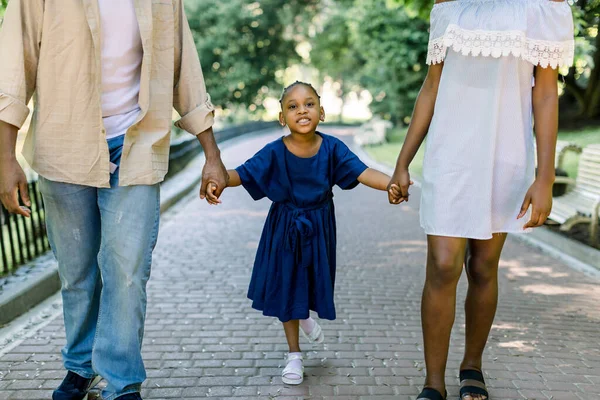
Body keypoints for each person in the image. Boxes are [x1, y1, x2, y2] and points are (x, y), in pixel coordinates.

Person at [0, 1, 228, 399]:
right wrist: (5, 158)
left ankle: (121, 382)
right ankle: (81, 365)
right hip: (64, 145)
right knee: (78, 274)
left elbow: (183, 67)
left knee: (126, 271)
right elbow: (14, 67)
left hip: (137, 144)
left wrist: (211, 153)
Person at [387, 1, 575, 399]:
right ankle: (432, 383)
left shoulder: (544, 8)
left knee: (484, 266)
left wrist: (545, 176)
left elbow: (545, 94)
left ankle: (472, 365)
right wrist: (403, 161)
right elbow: (432, 86)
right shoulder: (448, 6)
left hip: (505, 155)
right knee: (442, 266)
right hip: (449, 155)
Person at [208, 81, 401, 385]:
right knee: (287, 287)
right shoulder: (273, 152)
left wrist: (392, 182)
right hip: (284, 227)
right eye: (293, 106)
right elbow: (241, 174)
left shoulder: (333, 148)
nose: (302, 110)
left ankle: (305, 316)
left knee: (308, 282)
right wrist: (217, 180)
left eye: (309, 104)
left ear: (321, 112)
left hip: (319, 226)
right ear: (282, 118)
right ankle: (294, 355)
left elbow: (363, 172)